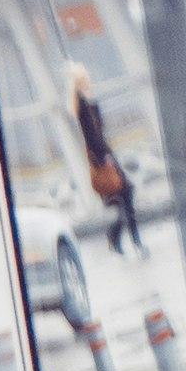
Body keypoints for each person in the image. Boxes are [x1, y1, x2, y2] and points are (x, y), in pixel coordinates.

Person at [71, 63, 142, 257]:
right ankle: (132, 241)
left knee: (120, 201)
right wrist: (105, 159)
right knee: (126, 194)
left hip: (104, 159)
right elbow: (93, 137)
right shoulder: (83, 105)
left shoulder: (84, 102)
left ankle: (119, 240)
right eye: (86, 77)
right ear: (81, 81)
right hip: (103, 160)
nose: (89, 80)